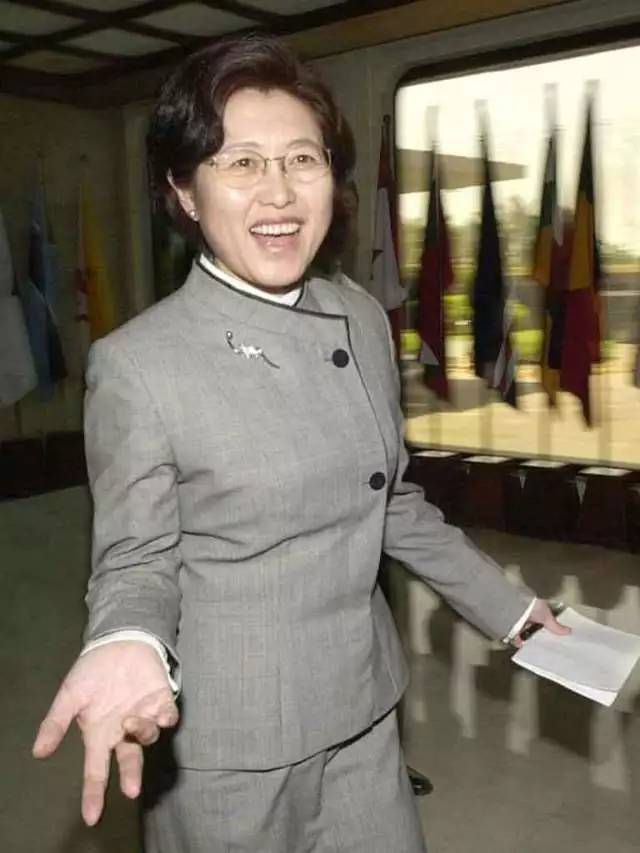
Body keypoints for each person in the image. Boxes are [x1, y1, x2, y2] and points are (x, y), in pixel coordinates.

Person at [32, 34, 569, 853]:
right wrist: (124, 639)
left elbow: (386, 497)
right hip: (229, 745)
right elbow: (136, 559)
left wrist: (513, 610)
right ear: (184, 191)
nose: (278, 192)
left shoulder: (357, 314)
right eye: (240, 163)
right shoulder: (139, 364)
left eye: (302, 159)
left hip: (365, 709)